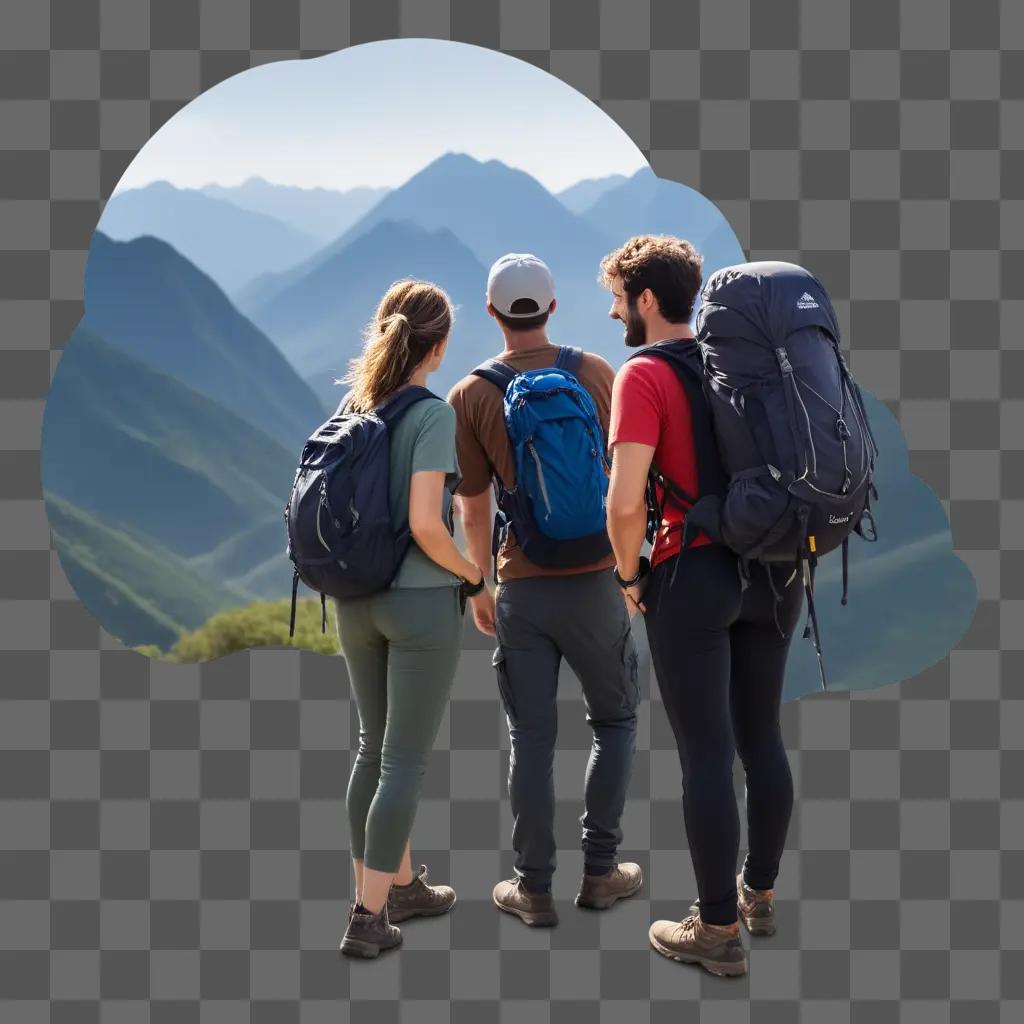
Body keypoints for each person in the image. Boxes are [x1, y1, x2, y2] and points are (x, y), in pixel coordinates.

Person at [601, 236, 804, 977]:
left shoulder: (644, 374)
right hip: (776, 568)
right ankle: (760, 891)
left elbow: (625, 503)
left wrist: (629, 576)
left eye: (619, 298)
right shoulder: (740, 360)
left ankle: (716, 930)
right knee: (763, 739)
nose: (615, 310)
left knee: (707, 754)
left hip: (693, 574)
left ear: (647, 300)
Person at [447, 253, 642, 928]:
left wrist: (478, 583)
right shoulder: (595, 373)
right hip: (595, 581)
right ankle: (600, 872)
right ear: (553, 308)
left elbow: (471, 506)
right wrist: (627, 569)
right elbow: (626, 484)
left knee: (530, 735)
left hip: (521, 589)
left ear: (493, 312)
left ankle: (533, 890)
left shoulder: (470, 395)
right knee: (614, 720)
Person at [333, 279, 489, 958]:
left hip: (352, 598)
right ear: (441, 345)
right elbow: (429, 525)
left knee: (372, 747)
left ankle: (396, 885)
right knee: (402, 760)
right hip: (418, 603)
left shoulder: (353, 405)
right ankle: (368, 919)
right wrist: (471, 572)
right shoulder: (431, 416)